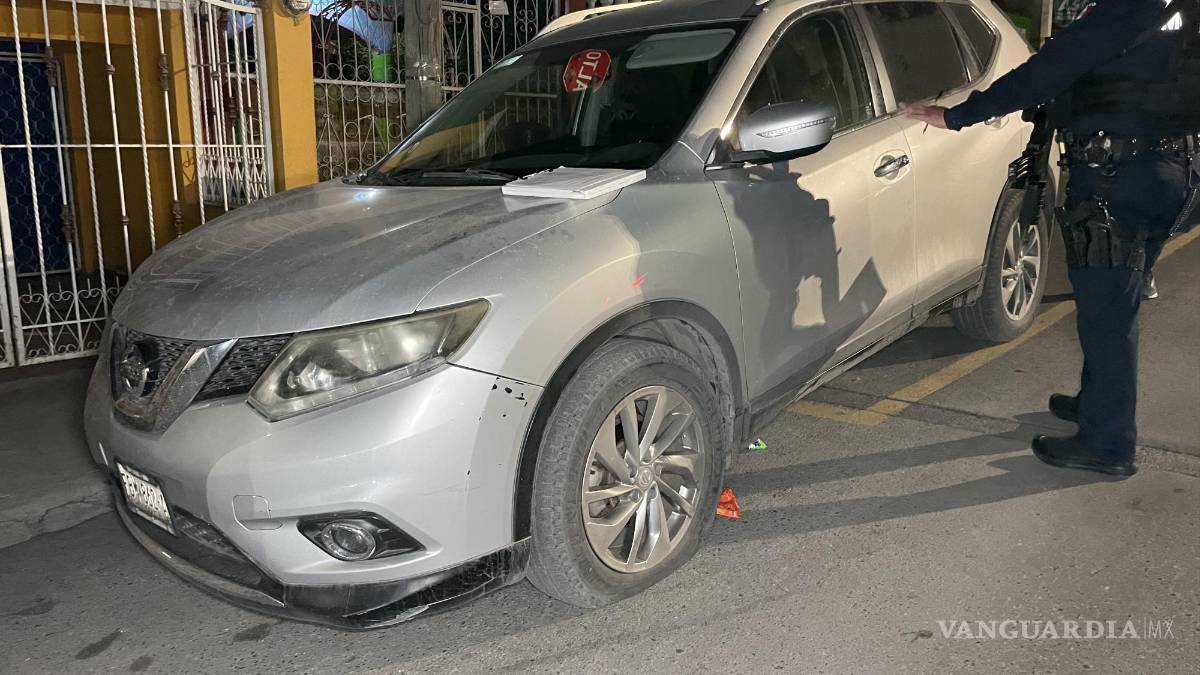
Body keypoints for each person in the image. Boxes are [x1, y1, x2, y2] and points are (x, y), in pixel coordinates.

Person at [905, 0, 1199, 477]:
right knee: (1117, 302)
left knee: (1107, 314)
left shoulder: (1129, 7)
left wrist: (958, 115)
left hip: (1119, 177)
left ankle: (1107, 444)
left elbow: (1048, 70)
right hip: (1173, 171)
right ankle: (1096, 403)